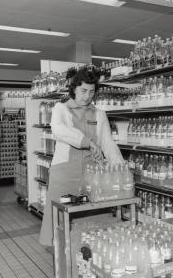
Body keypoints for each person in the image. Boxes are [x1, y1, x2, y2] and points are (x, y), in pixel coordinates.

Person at [39, 66, 123, 247]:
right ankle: (60, 262)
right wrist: (88, 142)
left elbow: (108, 143)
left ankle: (85, 260)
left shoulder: (99, 114)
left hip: (91, 174)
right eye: (83, 90)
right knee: (59, 221)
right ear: (74, 88)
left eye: (91, 92)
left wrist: (120, 168)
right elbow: (59, 130)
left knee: (90, 219)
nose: (87, 96)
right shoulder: (60, 108)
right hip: (64, 173)